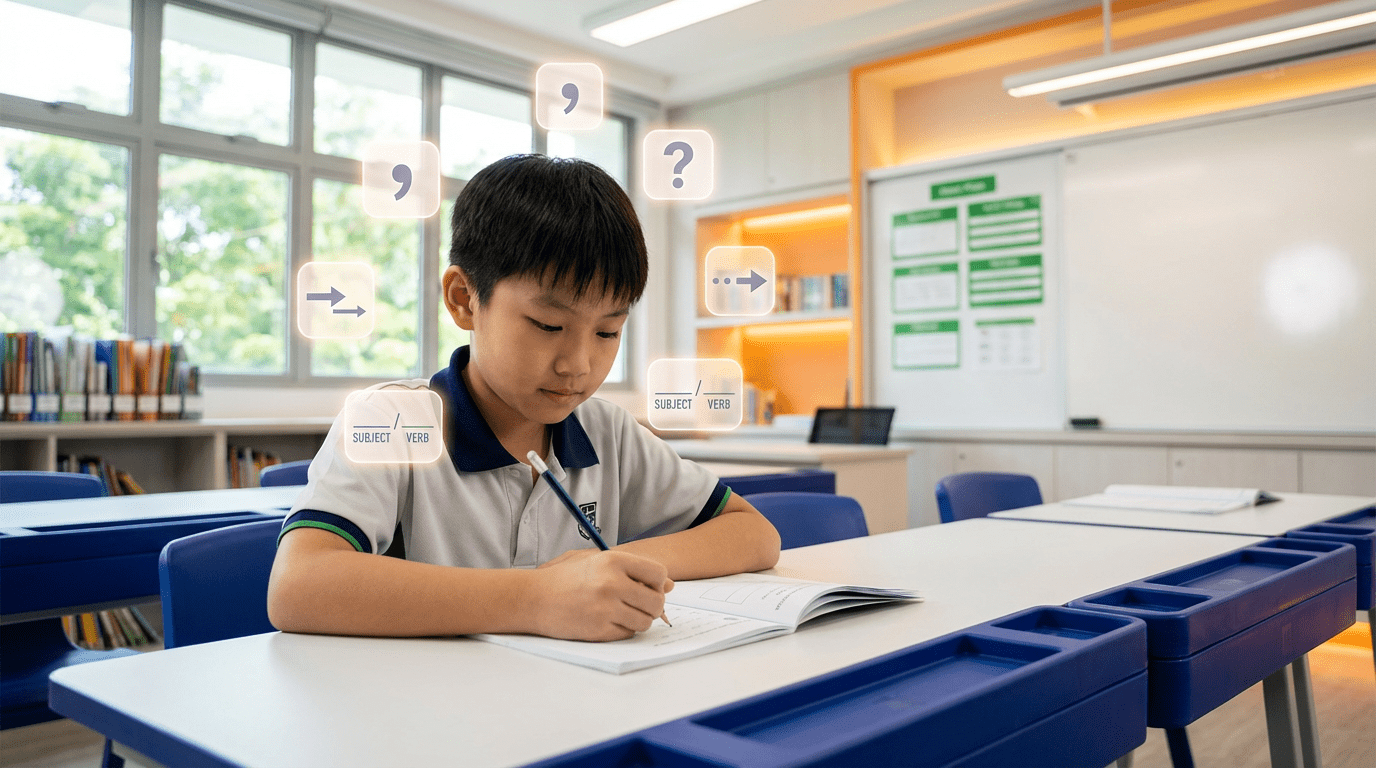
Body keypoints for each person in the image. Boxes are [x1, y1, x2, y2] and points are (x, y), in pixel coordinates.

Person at [268, 154, 781, 642]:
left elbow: (753, 534)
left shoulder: (607, 431)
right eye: (548, 324)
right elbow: (298, 586)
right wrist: (537, 597)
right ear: (464, 299)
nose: (578, 365)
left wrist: (602, 569)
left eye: (608, 332)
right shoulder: (392, 421)